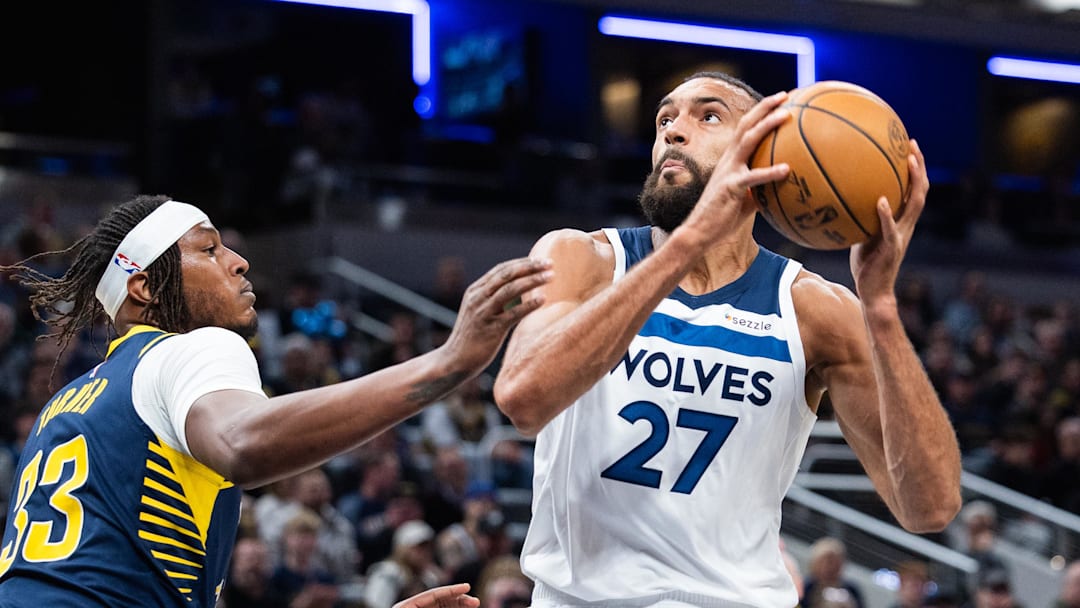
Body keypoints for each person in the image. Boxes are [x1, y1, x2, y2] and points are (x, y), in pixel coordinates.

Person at [493, 71, 963, 606]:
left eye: (707, 116)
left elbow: (929, 506)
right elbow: (522, 397)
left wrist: (879, 308)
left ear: (766, 151)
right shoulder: (582, 259)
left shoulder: (816, 310)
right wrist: (689, 243)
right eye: (664, 119)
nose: (673, 131)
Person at [0, 194, 550, 607]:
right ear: (145, 288)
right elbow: (243, 444)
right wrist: (448, 363)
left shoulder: (67, 402)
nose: (237, 261)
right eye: (209, 249)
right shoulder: (189, 349)